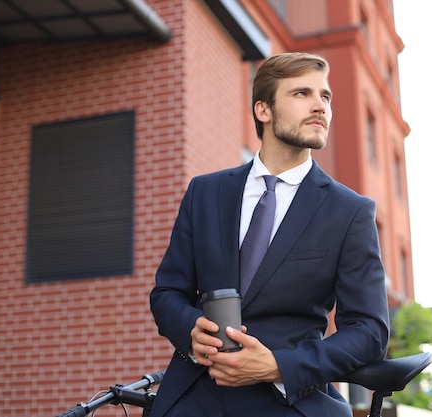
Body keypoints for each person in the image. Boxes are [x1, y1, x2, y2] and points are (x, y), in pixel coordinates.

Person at [149, 52, 390, 417]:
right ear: (263, 110)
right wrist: (190, 331)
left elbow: (370, 331)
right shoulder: (205, 192)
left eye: (325, 97)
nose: (319, 106)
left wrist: (279, 366)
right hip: (191, 398)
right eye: (301, 94)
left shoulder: (350, 211)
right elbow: (168, 292)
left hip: (288, 404)